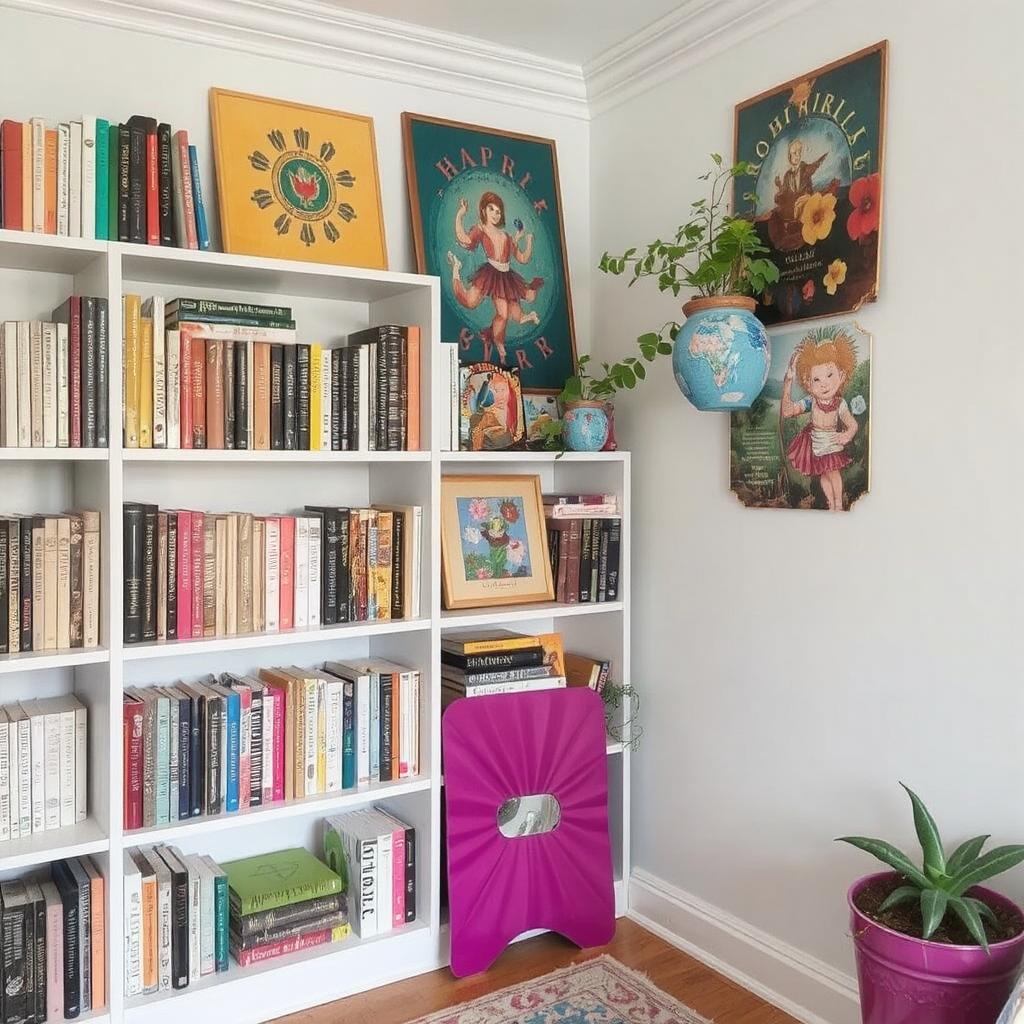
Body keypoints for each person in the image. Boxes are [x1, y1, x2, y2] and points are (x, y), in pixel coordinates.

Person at [446, 191, 544, 362]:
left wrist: (528, 241)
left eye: (498, 211)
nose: (495, 214)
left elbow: (522, 258)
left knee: (507, 313)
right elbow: (464, 239)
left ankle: (499, 342)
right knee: (470, 302)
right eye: (491, 209)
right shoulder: (480, 229)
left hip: (507, 278)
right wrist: (460, 215)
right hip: (490, 274)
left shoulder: (506, 236)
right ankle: (456, 269)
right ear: (483, 210)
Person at [781, 330, 859, 511]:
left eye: (830, 375)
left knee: (832, 471)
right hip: (816, 443)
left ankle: (838, 503)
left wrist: (848, 434)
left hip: (831, 442)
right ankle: (831, 503)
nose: (824, 383)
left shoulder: (840, 403)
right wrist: (788, 383)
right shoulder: (811, 401)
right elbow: (787, 411)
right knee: (823, 472)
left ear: (842, 375)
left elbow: (852, 424)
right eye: (817, 379)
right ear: (808, 383)